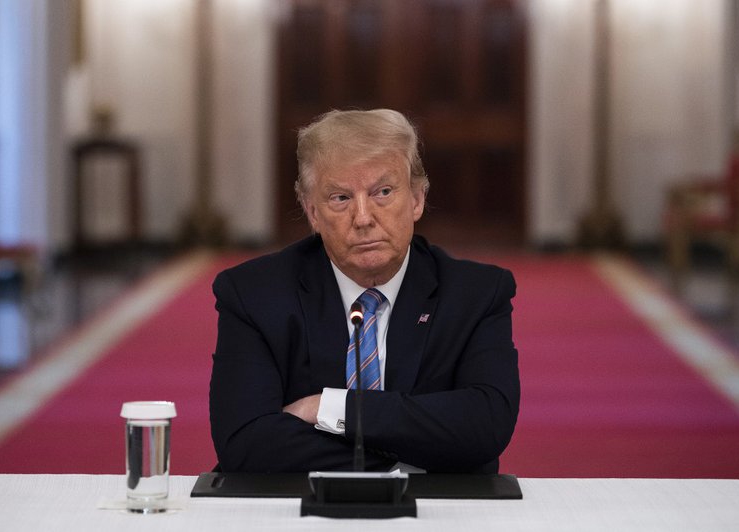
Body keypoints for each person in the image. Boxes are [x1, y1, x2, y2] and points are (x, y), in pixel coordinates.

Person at [210, 109, 519, 473]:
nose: (363, 218)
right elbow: (244, 442)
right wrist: (410, 456)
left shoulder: (476, 295)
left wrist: (331, 409)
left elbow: (485, 425)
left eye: (382, 192)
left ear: (417, 199)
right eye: (340, 198)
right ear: (312, 213)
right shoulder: (255, 295)